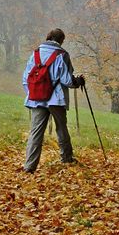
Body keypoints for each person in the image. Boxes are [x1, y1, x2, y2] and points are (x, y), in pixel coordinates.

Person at [22, 27, 85, 173]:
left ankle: (29, 166)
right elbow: (67, 80)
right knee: (61, 129)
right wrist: (78, 82)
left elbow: (26, 78)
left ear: (48, 37)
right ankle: (66, 158)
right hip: (56, 100)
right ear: (61, 40)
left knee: (35, 132)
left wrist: (34, 92)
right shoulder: (62, 55)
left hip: (37, 99)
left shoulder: (35, 54)